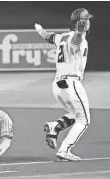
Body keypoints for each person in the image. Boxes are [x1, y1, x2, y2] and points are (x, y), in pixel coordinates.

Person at [34, 8, 93, 161]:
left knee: (75, 113)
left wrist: (40, 30)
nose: (88, 22)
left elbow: (49, 37)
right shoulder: (77, 37)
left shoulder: (62, 36)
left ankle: (55, 126)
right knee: (84, 120)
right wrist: (80, 31)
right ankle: (65, 149)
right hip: (71, 83)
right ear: (78, 23)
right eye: (85, 20)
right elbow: (76, 40)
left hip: (58, 85)